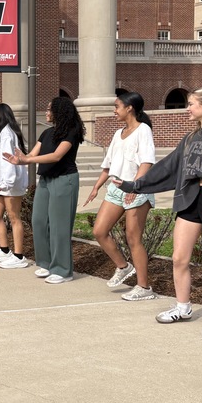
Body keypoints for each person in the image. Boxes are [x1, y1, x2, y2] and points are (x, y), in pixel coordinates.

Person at [115, 87, 202, 337]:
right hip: (189, 199)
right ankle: (183, 307)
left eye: (191, 104)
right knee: (179, 258)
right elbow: (167, 168)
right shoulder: (190, 138)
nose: (188, 108)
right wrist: (135, 185)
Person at [84, 92, 158, 301]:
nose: (114, 110)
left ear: (130, 108)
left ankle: (144, 288)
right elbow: (108, 165)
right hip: (116, 188)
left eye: (117, 106)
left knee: (133, 238)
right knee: (99, 231)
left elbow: (146, 162)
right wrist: (96, 187)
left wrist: (133, 187)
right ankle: (123, 267)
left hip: (137, 187)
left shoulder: (143, 131)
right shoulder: (119, 134)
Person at [4, 96, 85, 284]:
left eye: (50, 109)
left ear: (60, 112)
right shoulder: (46, 133)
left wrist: (27, 160)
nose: (47, 112)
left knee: (59, 226)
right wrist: (20, 158)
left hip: (65, 180)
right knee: (38, 220)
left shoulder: (71, 131)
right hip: (46, 181)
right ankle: (47, 263)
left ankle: (63, 270)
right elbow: (32, 154)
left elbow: (56, 156)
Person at [0, 103, 29, 269]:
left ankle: (19, 256)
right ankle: (4, 250)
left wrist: (7, 182)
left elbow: (8, 161)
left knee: (14, 217)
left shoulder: (7, 135)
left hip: (10, 183)